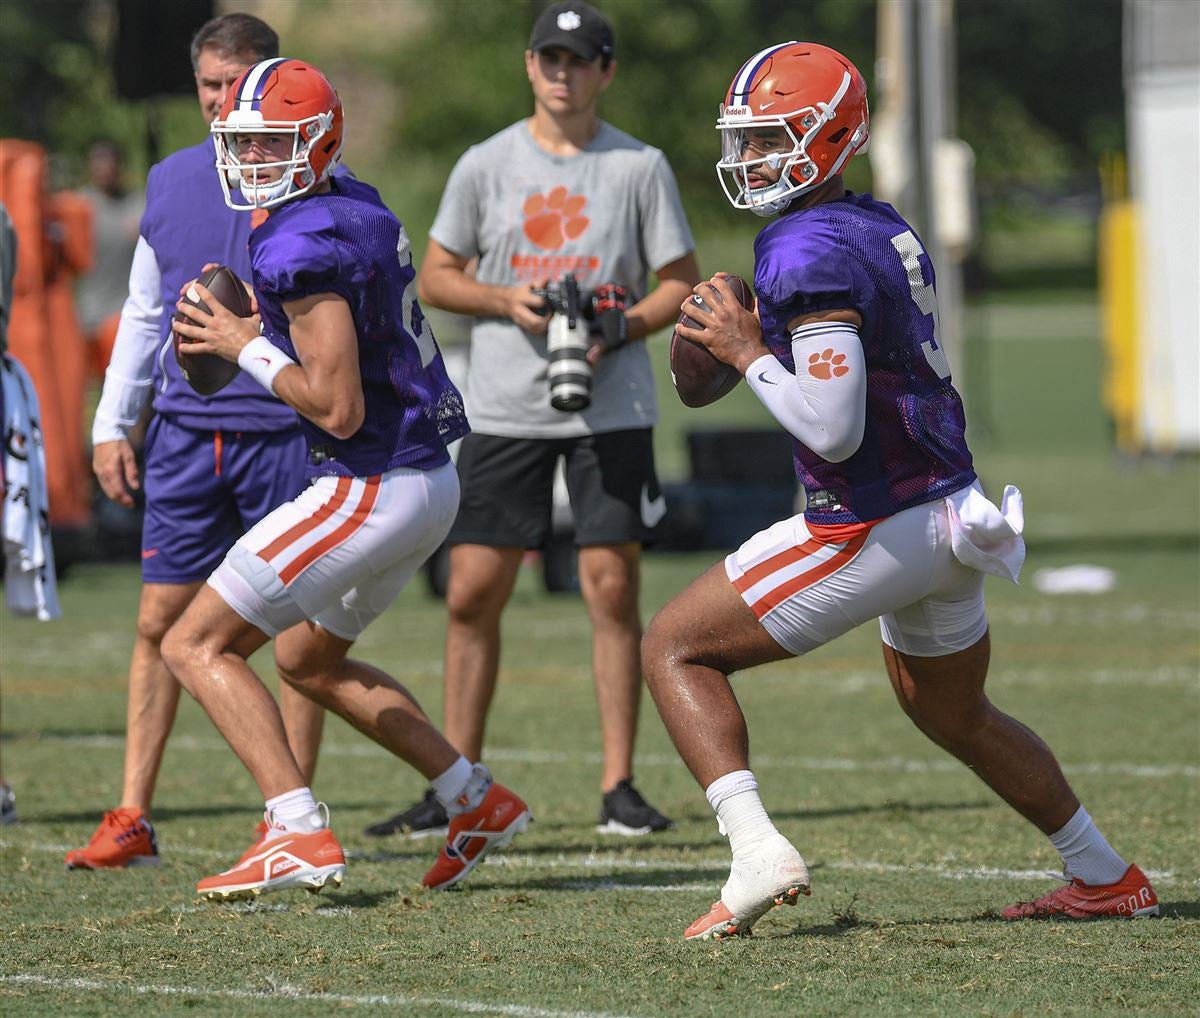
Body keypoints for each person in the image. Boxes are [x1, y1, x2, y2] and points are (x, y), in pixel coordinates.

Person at [640, 41, 1159, 940]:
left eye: (771, 140)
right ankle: (1104, 873)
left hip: (875, 520)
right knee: (951, 709)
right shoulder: (873, 222)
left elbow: (832, 428)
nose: (751, 160)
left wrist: (745, 351)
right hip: (950, 508)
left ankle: (756, 849)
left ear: (830, 137)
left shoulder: (805, 248)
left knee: (675, 647)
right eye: (746, 141)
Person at [163, 57, 530, 900]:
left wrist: (241, 344)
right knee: (307, 660)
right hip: (424, 480)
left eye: (271, 144)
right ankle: (471, 798)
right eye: (243, 144)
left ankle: (295, 829)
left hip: (371, 482)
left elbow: (334, 408)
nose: (252, 161)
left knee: (195, 642)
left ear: (317, 142)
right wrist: (270, 332)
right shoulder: (351, 202)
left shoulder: (299, 239)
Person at [366, 0, 699, 841]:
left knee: (611, 589)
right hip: (507, 404)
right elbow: (436, 276)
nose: (562, 72)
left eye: (579, 60)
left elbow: (680, 282)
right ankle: (456, 782)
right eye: (549, 57)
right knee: (473, 589)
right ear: (529, 67)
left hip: (609, 405)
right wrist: (504, 299)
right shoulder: (486, 164)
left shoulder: (639, 166)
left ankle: (619, 785)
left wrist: (614, 328)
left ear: (605, 72)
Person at [66, 14, 326, 871]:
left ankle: (288, 821)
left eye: (238, 83)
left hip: (284, 431)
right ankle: (132, 814)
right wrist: (114, 422)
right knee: (157, 620)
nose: (222, 102)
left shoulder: (317, 177)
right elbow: (147, 310)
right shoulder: (172, 177)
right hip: (185, 436)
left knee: (295, 637)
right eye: (209, 85)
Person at [76, 139, 144, 380]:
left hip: (123, 313)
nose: (104, 169)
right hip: (85, 313)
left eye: (109, 163)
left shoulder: (137, 205)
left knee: (122, 383)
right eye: (98, 163)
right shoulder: (79, 207)